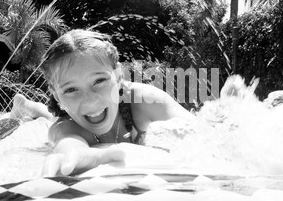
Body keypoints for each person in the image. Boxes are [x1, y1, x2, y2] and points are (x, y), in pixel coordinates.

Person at [30, 29, 194, 176]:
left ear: (118, 75)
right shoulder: (66, 126)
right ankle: (28, 106)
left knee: (47, 113)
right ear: (57, 96)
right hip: (66, 115)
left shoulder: (143, 99)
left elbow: (198, 130)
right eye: (70, 90)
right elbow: (68, 144)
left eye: (99, 80)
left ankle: (27, 105)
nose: (90, 100)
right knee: (46, 117)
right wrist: (74, 157)